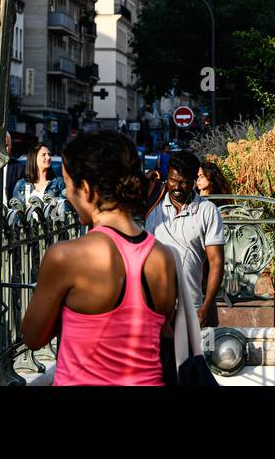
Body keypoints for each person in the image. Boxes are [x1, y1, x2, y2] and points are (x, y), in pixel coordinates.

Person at [21, 130, 178, 386]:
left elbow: (32, 336)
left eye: (68, 186)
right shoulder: (163, 257)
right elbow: (160, 330)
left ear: (85, 188)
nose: (68, 196)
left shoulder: (66, 257)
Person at [145, 150, 226, 328]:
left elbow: (216, 262)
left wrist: (206, 307)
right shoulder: (152, 205)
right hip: (155, 311)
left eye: (183, 182)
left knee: (194, 355)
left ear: (194, 181)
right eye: (172, 181)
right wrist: (146, 178)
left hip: (193, 309)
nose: (177, 187)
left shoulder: (207, 210)